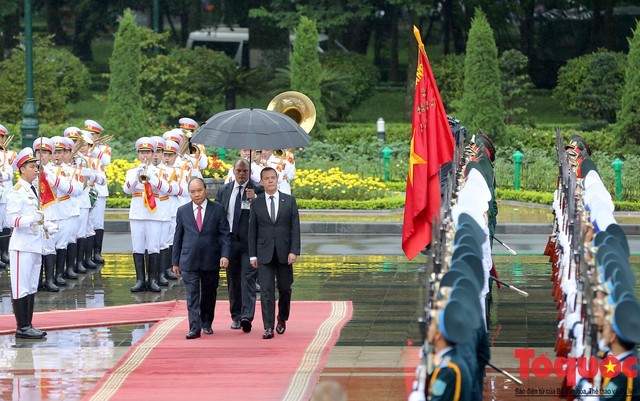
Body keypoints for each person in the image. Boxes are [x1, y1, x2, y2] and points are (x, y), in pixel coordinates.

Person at [6, 148, 58, 339]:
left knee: (30, 287)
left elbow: (37, 216)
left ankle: (28, 324)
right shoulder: (16, 192)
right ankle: (22, 327)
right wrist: (31, 218)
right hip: (22, 246)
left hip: (35, 243)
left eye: (37, 166)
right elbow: (12, 221)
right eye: (32, 166)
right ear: (22, 169)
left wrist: (47, 224)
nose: (36, 169)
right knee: (21, 286)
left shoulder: (32, 189)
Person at [172, 177, 231, 339]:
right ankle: (194, 327)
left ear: (205, 190)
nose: (196, 194)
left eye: (199, 190)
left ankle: (207, 322)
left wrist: (225, 255)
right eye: (192, 192)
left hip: (210, 259)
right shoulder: (182, 211)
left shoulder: (217, 209)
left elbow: (225, 234)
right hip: (189, 259)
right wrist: (175, 261)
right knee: (191, 294)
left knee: (209, 293)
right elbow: (178, 237)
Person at [248, 167, 301, 339]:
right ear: (261, 182)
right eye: (266, 178)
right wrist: (253, 255)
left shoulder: (289, 201)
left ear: (277, 179)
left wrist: (294, 251)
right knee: (266, 291)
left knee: (285, 288)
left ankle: (282, 317)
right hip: (264, 253)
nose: (270, 181)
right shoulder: (256, 203)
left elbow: (295, 228)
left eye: (273, 178)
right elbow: (252, 230)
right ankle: (268, 326)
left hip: (285, 253)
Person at [216, 159, 263, 331]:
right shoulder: (224, 190)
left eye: (245, 171)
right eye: (239, 170)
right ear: (234, 171)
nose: (242, 174)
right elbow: (218, 214)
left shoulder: (258, 189)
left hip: (249, 242)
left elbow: (266, 211)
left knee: (248, 279)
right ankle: (235, 316)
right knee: (233, 281)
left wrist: (255, 199)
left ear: (250, 172)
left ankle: (246, 317)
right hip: (229, 242)